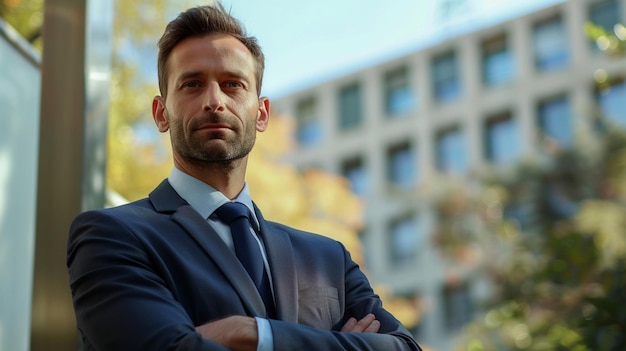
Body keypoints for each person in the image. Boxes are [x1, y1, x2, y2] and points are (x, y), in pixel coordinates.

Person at [67, 3, 421, 351]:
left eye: (233, 84)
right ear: (161, 114)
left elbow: (405, 348)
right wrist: (340, 344)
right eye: (191, 84)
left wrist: (251, 334)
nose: (214, 101)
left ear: (262, 113)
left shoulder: (328, 258)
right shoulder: (111, 237)